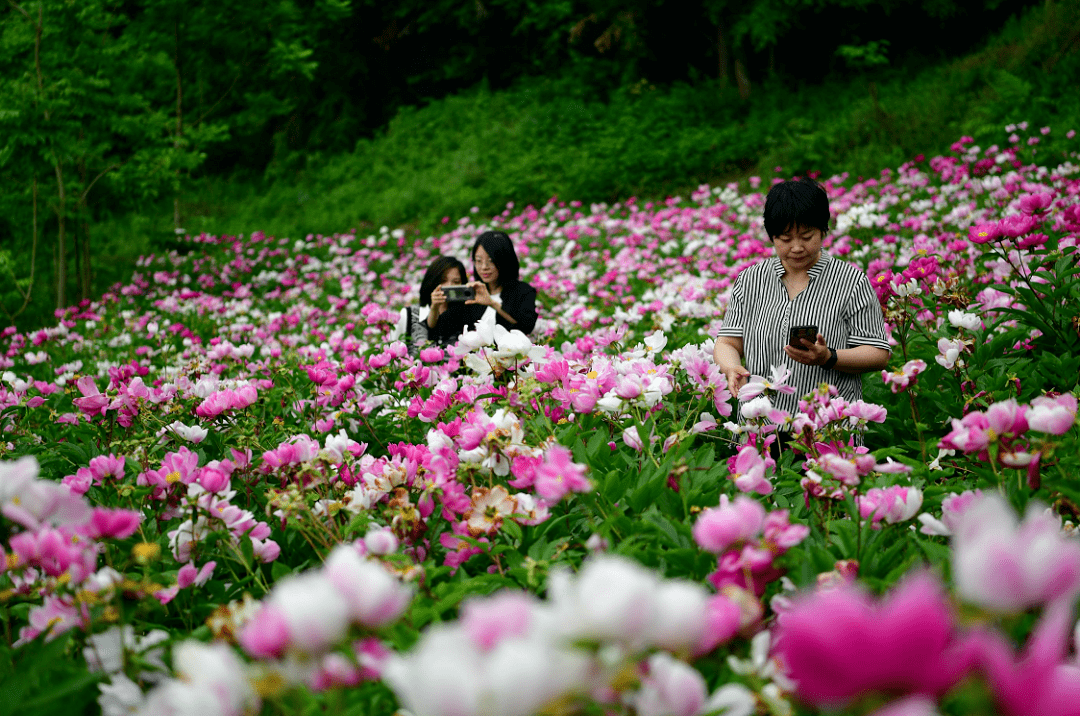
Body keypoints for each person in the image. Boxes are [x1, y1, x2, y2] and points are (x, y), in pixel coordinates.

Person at [713, 176, 891, 431]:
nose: (797, 247)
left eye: (807, 236)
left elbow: (877, 353)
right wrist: (731, 368)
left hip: (827, 430)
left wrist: (828, 357)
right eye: (785, 239)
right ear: (771, 236)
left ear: (823, 230)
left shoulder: (851, 281)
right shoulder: (750, 280)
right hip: (759, 427)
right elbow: (728, 341)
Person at [436, 231, 538, 337]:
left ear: (505, 260)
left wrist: (493, 304)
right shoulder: (472, 293)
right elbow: (445, 330)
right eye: (479, 261)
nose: (484, 267)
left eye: (491, 260)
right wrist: (441, 305)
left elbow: (526, 327)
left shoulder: (523, 291)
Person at [393, 255, 467, 352]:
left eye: (456, 282)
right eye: (443, 281)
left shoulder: (465, 315)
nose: (449, 286)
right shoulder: (408, 315)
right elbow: (392, 352)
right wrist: (434, 307)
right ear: (432, 281)